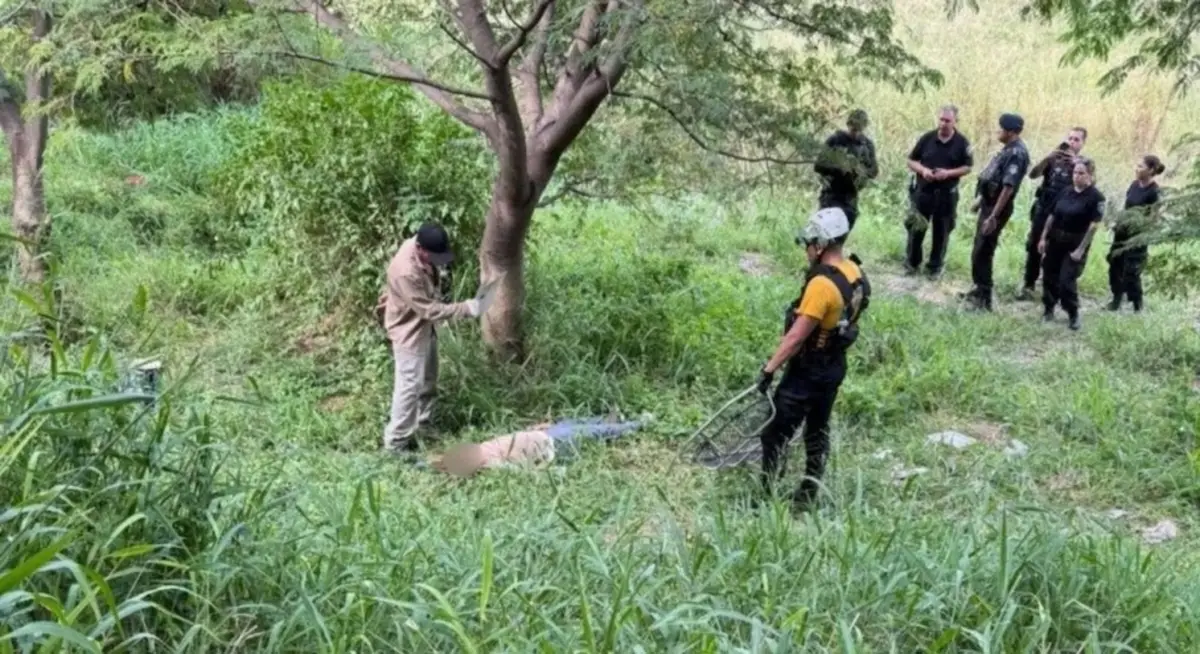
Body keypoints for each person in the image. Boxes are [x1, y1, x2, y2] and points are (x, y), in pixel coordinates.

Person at [754, 207, 871, 510]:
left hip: (809, 369)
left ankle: (765, 495)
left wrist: (769, 370)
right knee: (817, 428)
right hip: (834, 366)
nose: (806, 249)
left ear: (819, 244)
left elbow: (796, 336)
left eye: (809, 242)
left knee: (775, 432)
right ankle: (809, 493)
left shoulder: (821, 285)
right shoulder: (854, 272)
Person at [377, 223, 498, 453]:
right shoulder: (405, 271)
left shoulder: (422, 250)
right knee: (409, 387)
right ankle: (396, 444)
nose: (438, 261)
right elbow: (429, 310)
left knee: (429, 379)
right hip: (408, 332)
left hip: (426, 328)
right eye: (434, 256)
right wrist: (466, 308)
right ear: (421, 249)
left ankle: (424, 426)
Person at [966, 113, 1031, 311]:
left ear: (1011, 132)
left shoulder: (1016, 154)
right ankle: (978, 288)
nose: (997, 131)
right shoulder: (1008, 149)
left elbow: (1008, 187)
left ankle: (984, 298)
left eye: (1001, 128)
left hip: (996, 209)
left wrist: (993, 215)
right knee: (978, 249)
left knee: (983, 250)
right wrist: (980, 202)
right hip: (989, 204)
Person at [903, 104, 974, 279]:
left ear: (955, 121)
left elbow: (967, 167)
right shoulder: (927, 138)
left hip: (946, 195)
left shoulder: (962, 143)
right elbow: (911, 161)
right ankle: (912, 263)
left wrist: (948, 173)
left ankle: (934, 267)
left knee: (941, 232)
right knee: (916, 229)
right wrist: (923, 171)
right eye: (941, 119)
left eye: (947, 120)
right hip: (924, 192)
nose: (943, 123)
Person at [1020, 127, 1088, 300]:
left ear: (1083, 143)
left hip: (1065, 214)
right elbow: (1032, 175)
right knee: (1034, 245)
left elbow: (1090, 187)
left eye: (1076, 140)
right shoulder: (1054, 158)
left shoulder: (1084, 163)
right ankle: (1029, 284)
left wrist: (1076, 164)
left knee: (1057, 251)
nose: (1072, 142)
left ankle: (1053, 289)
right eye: (1070, 138)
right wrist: (1047, 158)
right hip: (1044, 208)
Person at [1038, 158, 1105, 330]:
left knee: (1067, 281)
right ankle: (1049, 308)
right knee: (1049, 276)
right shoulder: (1065, 191)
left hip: (1075, 243)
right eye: (1075, 172)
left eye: (1081, 173)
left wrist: (1080, 250)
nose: (1077, 176)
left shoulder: (1096, 197)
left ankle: (1073, 313)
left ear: (1090, 175)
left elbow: (1093, 225)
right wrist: (1043, 238)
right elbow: (1052, 215)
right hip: (1055, 240)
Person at [1107, 154, 1165, 313]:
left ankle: (1137, 305)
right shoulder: (1133, 185)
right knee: (1115, 265)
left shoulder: (1154, 191)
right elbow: (1127, 208)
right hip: (1122, 233)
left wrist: (1141, 232)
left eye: (1141, 167)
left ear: (1151, 170)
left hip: (1137, 236)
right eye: (1137, 165)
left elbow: (1154, 217)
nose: (1136, 169)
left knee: (1132, 272)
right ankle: (1116, 298)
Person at [814, 109, 879, 232]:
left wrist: (860, 170)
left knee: (841, 233)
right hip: (831, 194)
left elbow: (874, 171)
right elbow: (818, 165)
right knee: (824, 233)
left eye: (859, 129)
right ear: (848, 124)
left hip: (850, 197)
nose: (855, 132)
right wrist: (840, 167)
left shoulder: (867, 145)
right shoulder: (836, 140)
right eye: (853, 128)